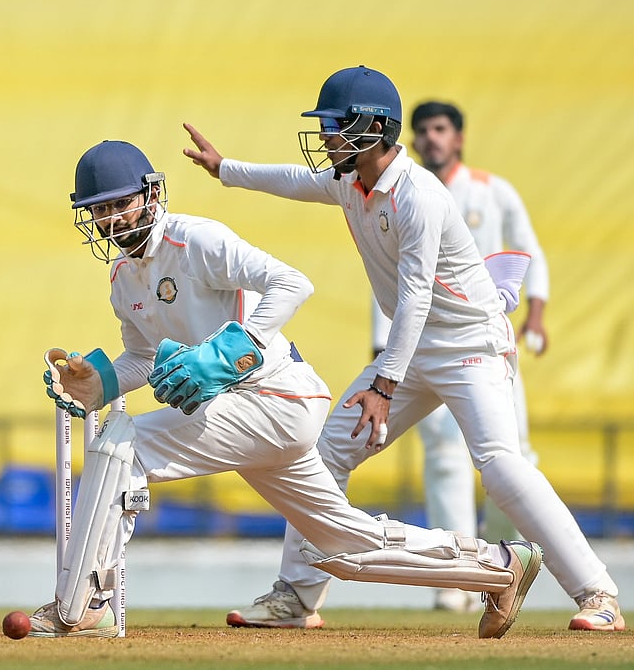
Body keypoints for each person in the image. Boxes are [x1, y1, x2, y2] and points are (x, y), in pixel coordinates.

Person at [31, 139, 543, 640]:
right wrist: (99, 383)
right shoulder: (123, 278)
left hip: (278, 397)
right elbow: (143, 357)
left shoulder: (196, 241)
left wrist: (236, 347)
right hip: (244, 414)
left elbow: (292, 282)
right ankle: (498, 565)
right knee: (342, 545)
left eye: (120, 204)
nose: (113, 220)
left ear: (150, 194)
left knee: (121, 448)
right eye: (100, 210)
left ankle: (86, 604)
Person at [183, 66, 623, 632]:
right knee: (322, 455)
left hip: (471, 344)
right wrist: (225, 170)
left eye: (336, 126)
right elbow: (293, 180)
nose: (325, 137)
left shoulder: (420, 196)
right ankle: (296, 597)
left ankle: (598, 595)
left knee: (500, 467)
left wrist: (383, 386)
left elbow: (415, 298)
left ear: (374, 129)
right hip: (414, 348)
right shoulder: (349, 181)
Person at [368, 100, 552, 612]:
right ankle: (457, 580)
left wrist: (536, 314)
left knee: (510, 460)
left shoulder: (493, 191)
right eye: (423, 130)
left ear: (459, 138)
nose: (431, 138)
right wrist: (385, 354)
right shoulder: (395, 192)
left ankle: (507, 563)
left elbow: (530, 251)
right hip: (421, 348)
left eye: (440, 129)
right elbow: (388, 281)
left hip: (483, 345)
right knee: (444, 459)